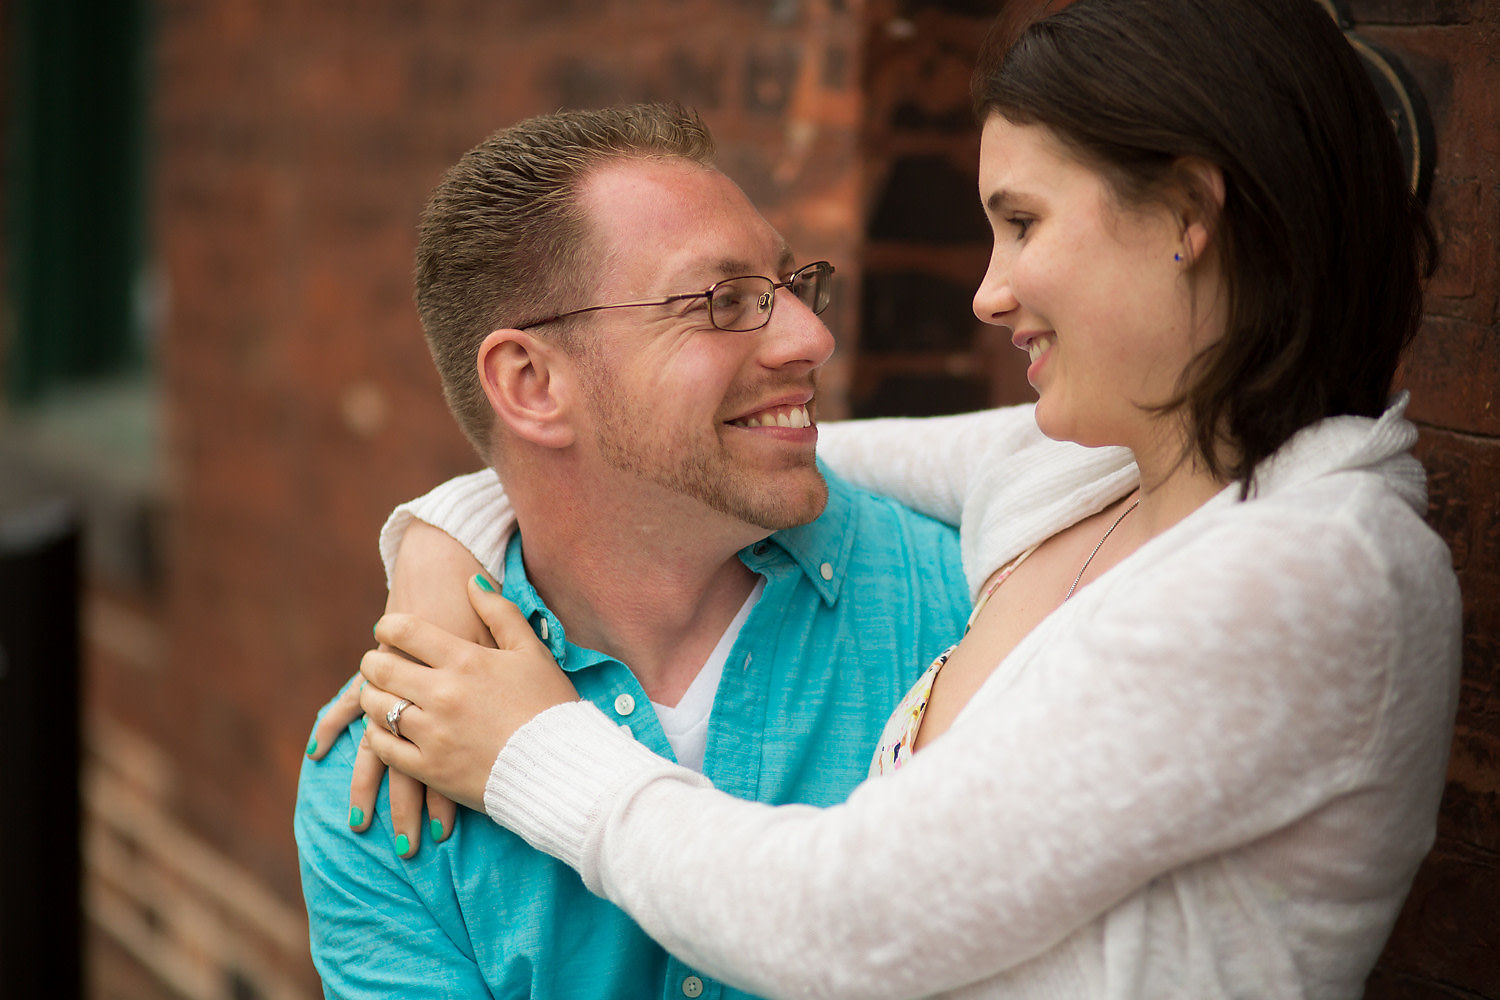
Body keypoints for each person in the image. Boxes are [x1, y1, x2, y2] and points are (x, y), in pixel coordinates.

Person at [350, 0, 1462, 996]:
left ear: (1186, 215)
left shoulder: (1311, 572)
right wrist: (451, 535)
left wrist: (531, 747)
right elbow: (719, 445)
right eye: (722, 300)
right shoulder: (1093, 469)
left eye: (1023, 222)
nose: (990, 290)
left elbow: (851, 923)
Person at [295, 102, 1124, 998]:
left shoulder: (983, 608)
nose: (811, 338)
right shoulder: (387, 767)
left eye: (790, 284)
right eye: (724, 302)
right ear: (531, 383)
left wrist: (440, 526)